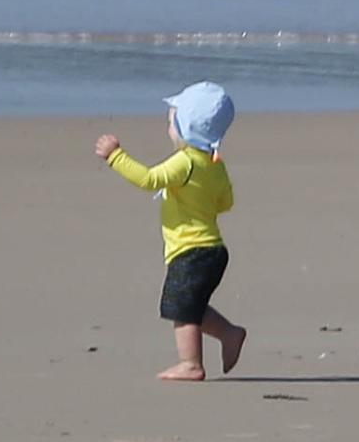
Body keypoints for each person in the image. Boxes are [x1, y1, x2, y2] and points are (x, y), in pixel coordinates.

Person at [94, 81, 246, 382]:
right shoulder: (214, 165)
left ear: (186, 127)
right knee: (191, 304)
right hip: (213, 250)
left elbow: (150, 179)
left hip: (193, 250)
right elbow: (225, 202)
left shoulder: (186, 162)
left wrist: (116, 157)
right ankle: (229, 333)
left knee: (180, 305)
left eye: (171, 122)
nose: (169, 127)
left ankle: (191, 363)